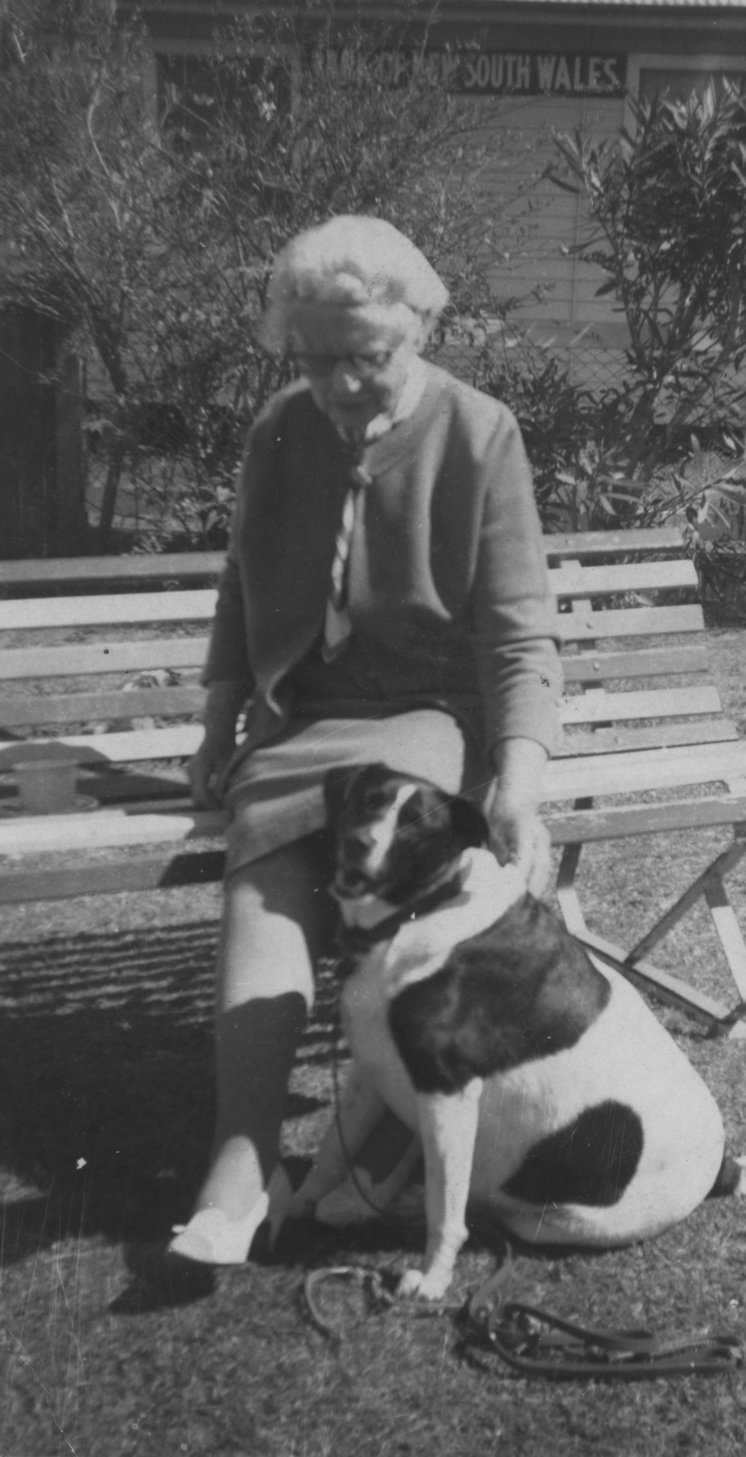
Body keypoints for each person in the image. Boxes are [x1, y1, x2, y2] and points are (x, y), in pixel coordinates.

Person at [167, 215, 562, 1265]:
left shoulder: (481, 433)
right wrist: (217, 718)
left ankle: (388, 1136)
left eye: (365, 358)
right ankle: (244, 1159)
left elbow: (519, 632)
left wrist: (518, 778)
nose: (339, 384)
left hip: (429, 714)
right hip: (307, 716)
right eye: (315, 358)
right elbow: (243, 585)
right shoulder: (279, 429)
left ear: (420, 328)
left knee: (390, 829)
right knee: (267, 864)